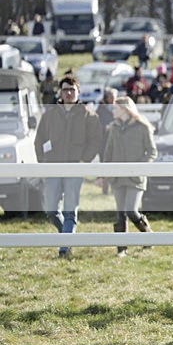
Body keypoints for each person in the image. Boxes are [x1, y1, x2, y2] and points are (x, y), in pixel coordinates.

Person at [34, 75, 102, 258]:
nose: (69, 93)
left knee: (70, 210)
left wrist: (84, 161)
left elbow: (96, 141)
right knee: (50, 209)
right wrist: (43, 163)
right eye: (65, 90)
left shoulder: (88, 115)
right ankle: (68, 235)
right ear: (60, 92)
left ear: (78, 92)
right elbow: (38, 141)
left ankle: (64, 248)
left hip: (75, 167)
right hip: (53, 167)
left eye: (72, 90)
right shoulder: (49, 114)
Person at [102, 96, 157, 257]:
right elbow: (108, 153)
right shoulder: (114, 127)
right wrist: (103, 174)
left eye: (115, 108)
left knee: (131, 210)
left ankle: (148, 237)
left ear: (125, 109)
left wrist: (139, 167)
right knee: (121, 213)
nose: (112, 111)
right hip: (117, 178)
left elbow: (152, 151)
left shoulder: (142, 127)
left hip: (136, 178)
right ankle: (121, 249)